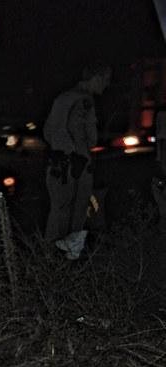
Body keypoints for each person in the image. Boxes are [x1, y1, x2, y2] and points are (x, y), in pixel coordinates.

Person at [43, 63, 112, 260]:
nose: (106, 85)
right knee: (77, 213)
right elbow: (92, 138)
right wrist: (76, 154)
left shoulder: (63, 97)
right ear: (96, 78)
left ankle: (48, 259)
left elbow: (49, 132)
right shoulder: (84, 100)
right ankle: (69, 261)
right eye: (105, 79)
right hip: (76, 165)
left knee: (57, 211)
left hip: (57, 164)